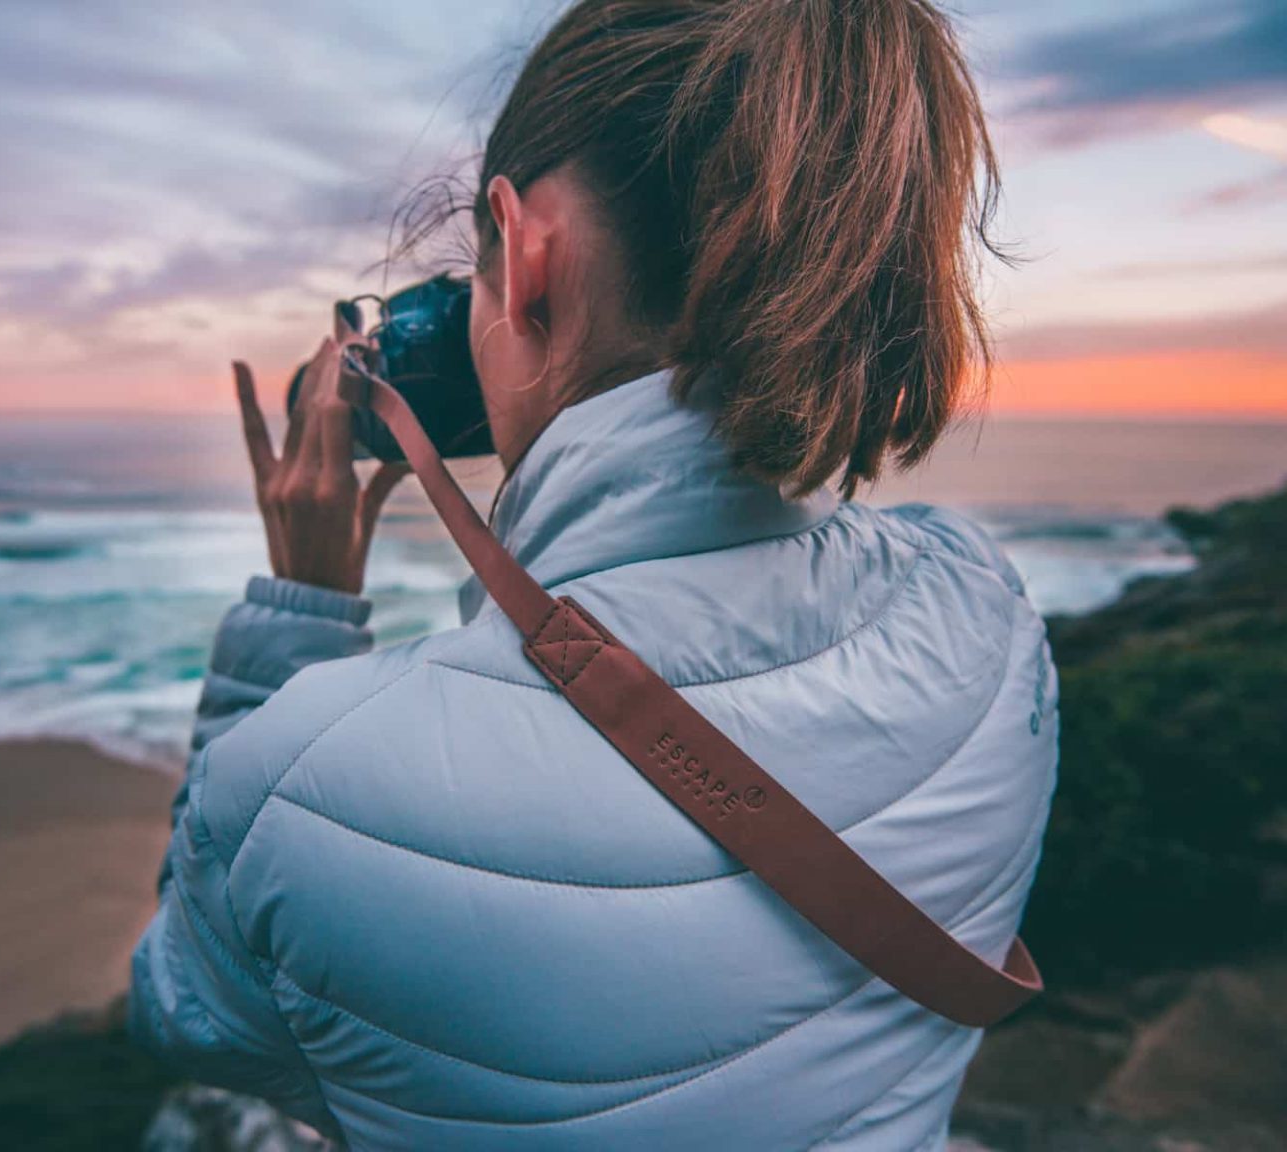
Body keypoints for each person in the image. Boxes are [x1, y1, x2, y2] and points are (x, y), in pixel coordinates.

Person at [127, 1, 1059, 1148]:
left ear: (527, 255)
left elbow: (191, 1014)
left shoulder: (308, 779)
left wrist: (301, 615)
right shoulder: (989, 616)